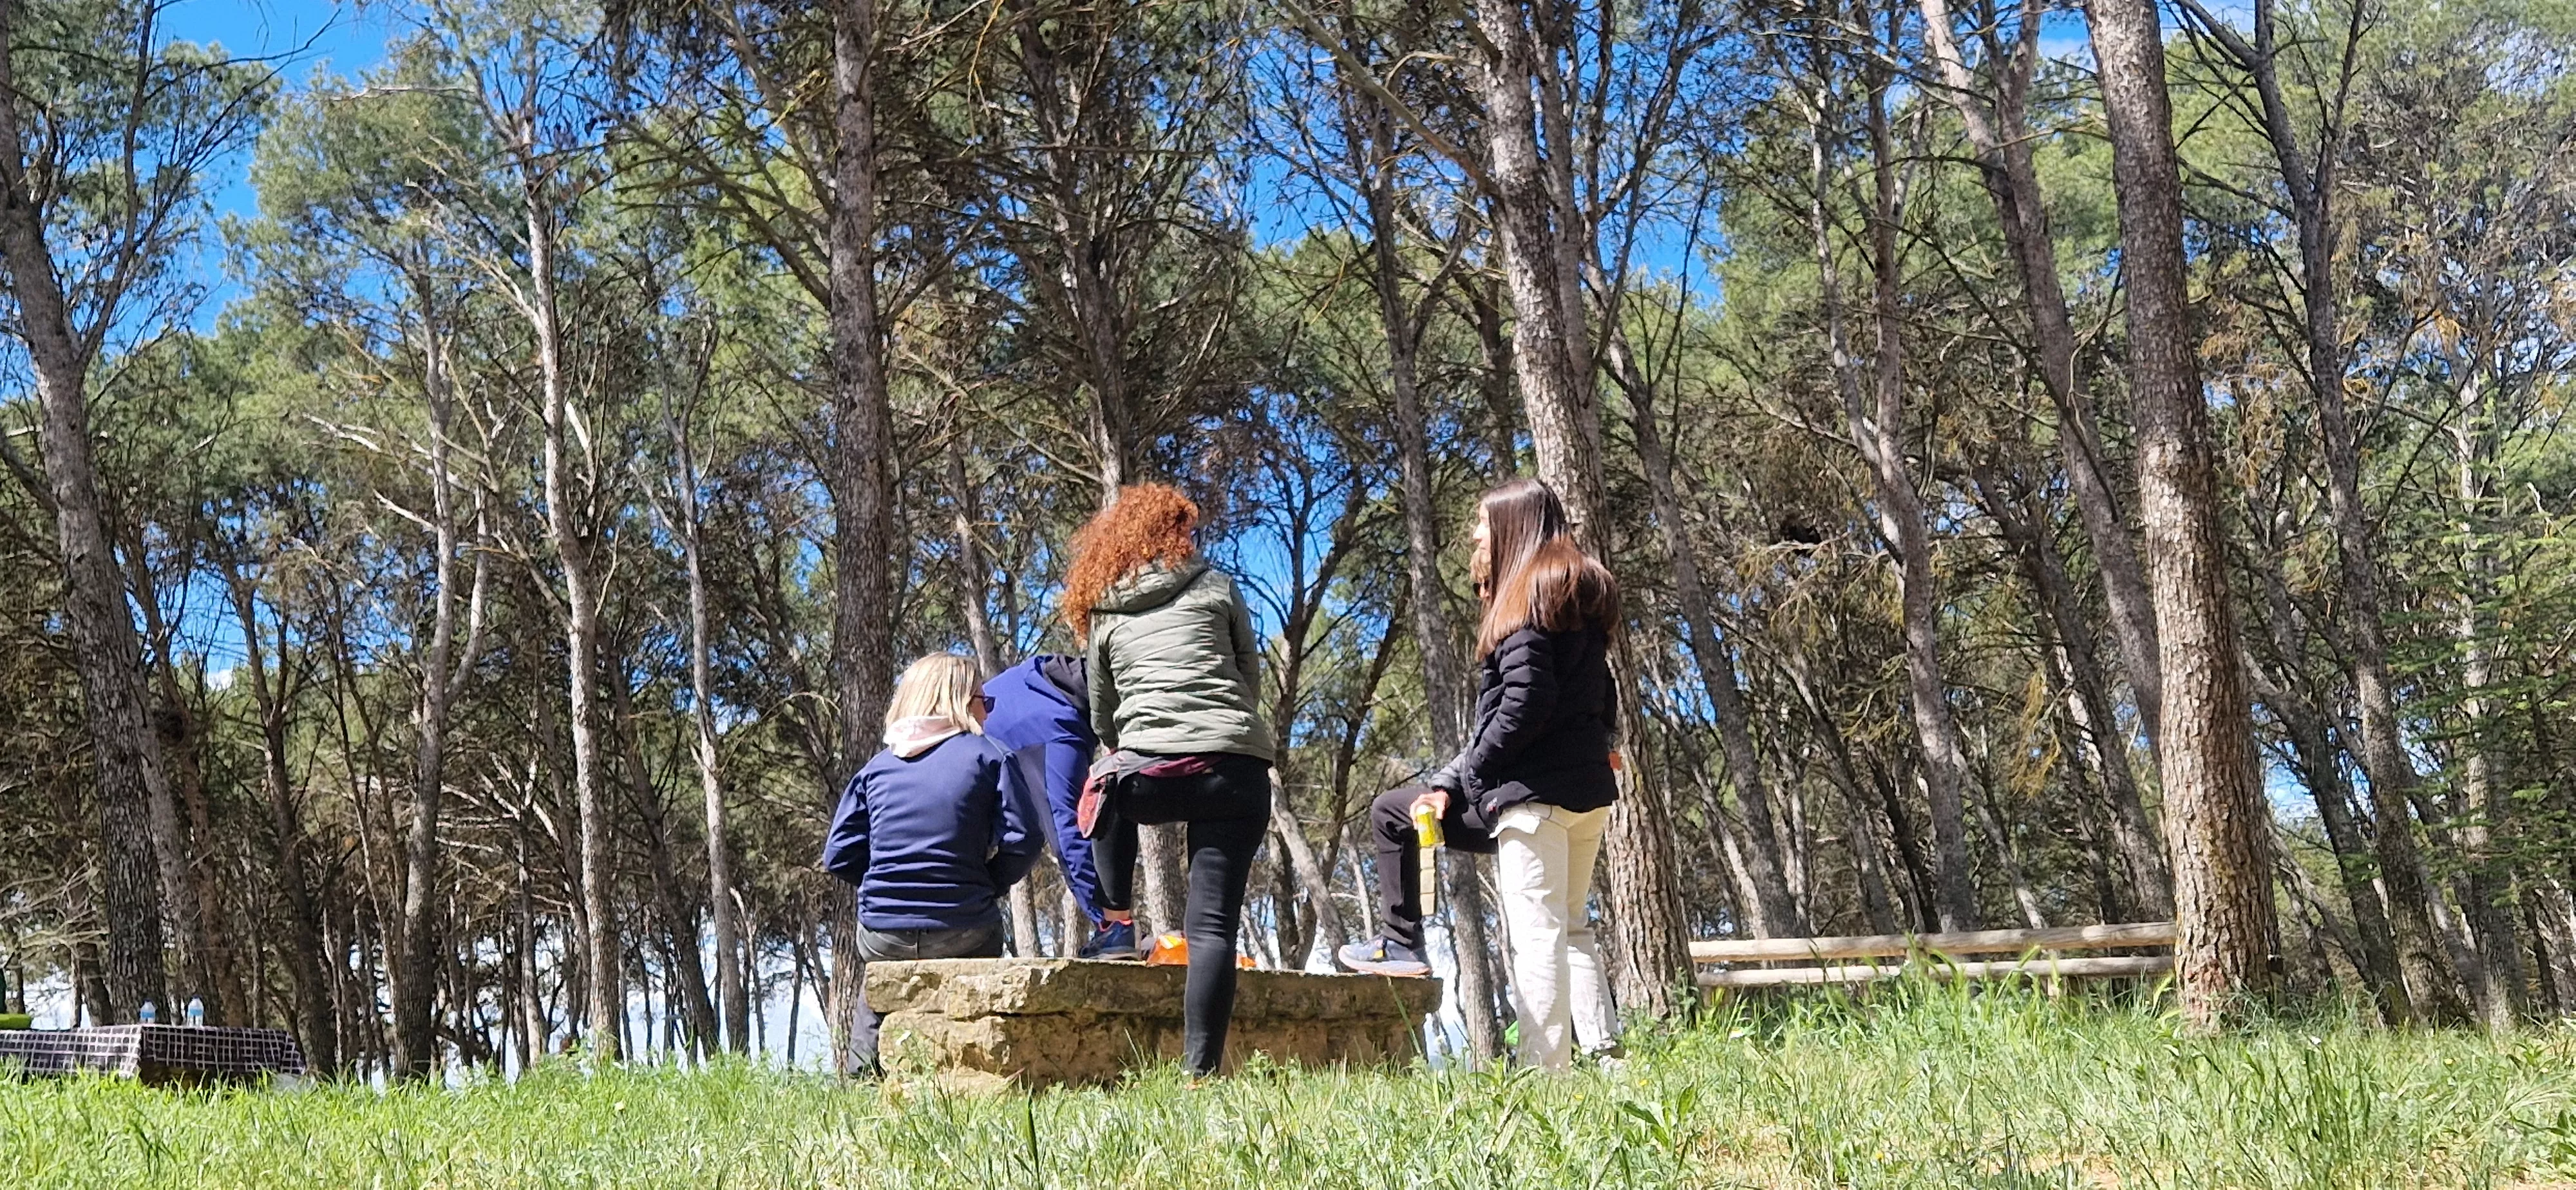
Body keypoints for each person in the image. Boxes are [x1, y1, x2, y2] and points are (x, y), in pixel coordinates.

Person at [1336, 478, 1620, 1072]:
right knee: (1572, 928)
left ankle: (1544, 1074)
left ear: (1514, 527)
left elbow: (1525, 701)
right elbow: (1603, 692)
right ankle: (1606, 1057)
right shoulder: (1574, 594)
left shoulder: (1525, 597)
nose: (1474, 536)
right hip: (1585, 794)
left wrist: (1467, 781)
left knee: (1538, 933)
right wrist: (1600, 747)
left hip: (1533, 800)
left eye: (1483, 524)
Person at [1069, 482, 1274, 1078]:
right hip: (1235, 768)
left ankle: (1117, 920)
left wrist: (1144, 740)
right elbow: (1249, 677)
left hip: (1151, 773)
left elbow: (1103, 718)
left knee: (1107, 784)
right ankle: (1199, 1074)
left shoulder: (1106, 611)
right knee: (1210, 929)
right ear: (1175, 536)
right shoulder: (1218, 587)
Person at [820, 652, 1046, 1070]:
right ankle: (970, 1069)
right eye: (984, 701)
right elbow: (1026, 838)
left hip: (883, 932)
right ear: (959, 701)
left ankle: (861, 1077)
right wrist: (990, 883)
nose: (988, 712)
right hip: (965, 925)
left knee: (876, 996)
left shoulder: (876, 769)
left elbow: (838, 854)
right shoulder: (991, 756)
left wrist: (889, 888)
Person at [979, 653, 1133, 958]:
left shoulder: (1051, 675)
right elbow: (1069, 836)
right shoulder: (1057, 726)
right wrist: (1111, 925)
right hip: (963, 790)